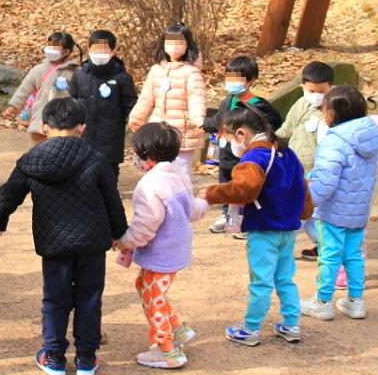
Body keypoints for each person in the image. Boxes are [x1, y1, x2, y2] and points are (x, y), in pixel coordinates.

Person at [0, 98, 128, 375]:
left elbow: (8, 195)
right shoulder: (96, 158)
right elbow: (112, 200)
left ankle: (54, 357)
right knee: (89, 298)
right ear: (82, 128)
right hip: (92, 242)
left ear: (45, 127)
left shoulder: (31, 160)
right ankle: (86, 358)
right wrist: (119, 233)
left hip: (53, 243)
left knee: (54, 299)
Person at [204, 106, 306, 347]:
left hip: (264, 228)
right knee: (285, 277)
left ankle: (251, 328)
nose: (228, 143)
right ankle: (291, 324)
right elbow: (302, 185)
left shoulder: (254, 157)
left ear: (241, 134)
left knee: (260, 280)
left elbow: (244, 189)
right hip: (288, 227)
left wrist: (212, 194)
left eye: (227, 137)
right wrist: (303, 212)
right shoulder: (285, 152)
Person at [114, 123, 209, 369]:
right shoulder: (178, 174)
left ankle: (166, 348)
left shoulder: (149, 186)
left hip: (162, 253)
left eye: (136, 152)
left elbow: (145, 226)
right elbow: (192, 210)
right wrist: (204, 201)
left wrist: (124, 241)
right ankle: (177, 328)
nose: (133, 156)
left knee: (153, 295)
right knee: (145, 286)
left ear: (148, 155)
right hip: (176, 250)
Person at [300, 86, 378, 322]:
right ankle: (356, 301)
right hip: (358, 211)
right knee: (354, 256)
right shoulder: (371, 137)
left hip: (333, 212)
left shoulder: (334, 141)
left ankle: (322, 301)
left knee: (329, 256)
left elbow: (325, 181)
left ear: (333, 112)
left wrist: (307, 204)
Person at [201, 55, 282, 235]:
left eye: (239, 78)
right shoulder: (228, 101)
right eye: (229, 77)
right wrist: (204, 125)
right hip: (226, 151)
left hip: (247, 153)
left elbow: (275, 121)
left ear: (252, 80)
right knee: (226, 181)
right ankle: (226, 215)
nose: (232, 82)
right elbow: (219, 120)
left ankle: (247, 219)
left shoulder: (259, 105)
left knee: (246, 184)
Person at [128, 23, 208, 174]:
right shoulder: (156, 70)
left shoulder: (191, 73)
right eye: (170, 42)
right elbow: (146, 98)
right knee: (157, 173)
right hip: (158, 134)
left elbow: (196, 99)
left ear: (187, 45)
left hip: (181, 136)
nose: (174, 46)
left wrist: (199, 120)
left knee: (180, 173)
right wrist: (136, 118)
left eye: (180, 42)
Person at [277, 61, 333, 259]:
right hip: (295, 165)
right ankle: (323, 245)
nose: (316, 95)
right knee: (302, 211)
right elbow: (287, 128)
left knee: (306, 212)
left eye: (322, 91)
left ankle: (322, 246)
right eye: (311, 90)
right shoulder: (300, 104)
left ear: (330, 88)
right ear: (303, 87)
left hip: (317, 170)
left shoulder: (332, 109)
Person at [68, 30, 137, 180]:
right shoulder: (79, 75)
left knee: (108, 179)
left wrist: (135, 124)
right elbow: (72, 102)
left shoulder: (123, 78)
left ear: (113, 52)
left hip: (110, 139)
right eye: (95, 49)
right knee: (82, 178)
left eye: (104, 50)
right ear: (89, 49)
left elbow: (130, 106)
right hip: (83, 137)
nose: (99, 53)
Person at [3, 31, 80, 145]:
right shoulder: (39, 69)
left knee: (60, 148)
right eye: (49, 46)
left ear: (66, 52)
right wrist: (14, 106)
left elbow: (78, 95)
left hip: (64, 119)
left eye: (54, 48)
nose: (49, 50)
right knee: (38, 147)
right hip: (40, 119)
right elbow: (24, 89)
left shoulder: (74, 72)